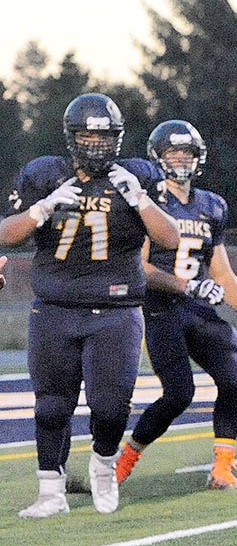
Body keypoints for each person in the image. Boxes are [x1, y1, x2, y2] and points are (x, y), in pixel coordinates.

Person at [0, 93, 179, 517]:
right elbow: (7, 233)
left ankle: (102, 463)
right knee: (50, 405)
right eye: (87, 135)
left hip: (115, 309)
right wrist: (41, 210)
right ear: (71, 137)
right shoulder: (44, 175)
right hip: (55, 307)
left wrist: (140, 200)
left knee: (111, 407)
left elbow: (170, 238)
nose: (96, 144)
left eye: (104, 136)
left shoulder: (137, 176)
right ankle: (50, 491)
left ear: (117, 138)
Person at [114, 120, 237, 491]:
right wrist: (190, 286)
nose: (180, 159)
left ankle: (223, 469)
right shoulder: (148, 202)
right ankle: (122, 463)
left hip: (199, 309)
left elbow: (222, 269)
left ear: (198, 158)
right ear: (157, 158)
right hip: (161, 309)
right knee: (179, 393)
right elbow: (141, 266)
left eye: (187, 153)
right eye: (172, 153)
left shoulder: (211, 205)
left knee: (233, 377)